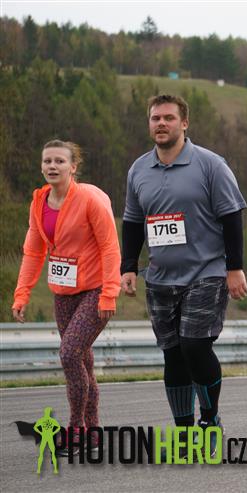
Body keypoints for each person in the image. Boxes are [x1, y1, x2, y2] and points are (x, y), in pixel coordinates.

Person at [120, 94, 247, 456]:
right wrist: (128, 266)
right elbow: (133, 221)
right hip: (160, 277)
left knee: (195, 346)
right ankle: (183, 432)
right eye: (155, 118)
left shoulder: (210, 165)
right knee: (173, 354)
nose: (161, 123)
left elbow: (232, 216)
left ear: (184, 123)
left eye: (169, 118)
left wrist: (234, 267)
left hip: (207, 271)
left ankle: (209, 419)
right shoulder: (138, 170)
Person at [12, 140, 121, 455]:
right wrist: (22, 294)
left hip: (95, 289)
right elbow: (34, 251)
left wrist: (109, 293)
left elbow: (110, 247)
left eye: (59, 161)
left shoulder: (89, 200)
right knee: (83, 361)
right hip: (63, 293)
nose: (52, 166)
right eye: (47, 161)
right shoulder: (39, 203)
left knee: (70, 354)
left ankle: (76, 430)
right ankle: (94, 432)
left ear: (73, 167)